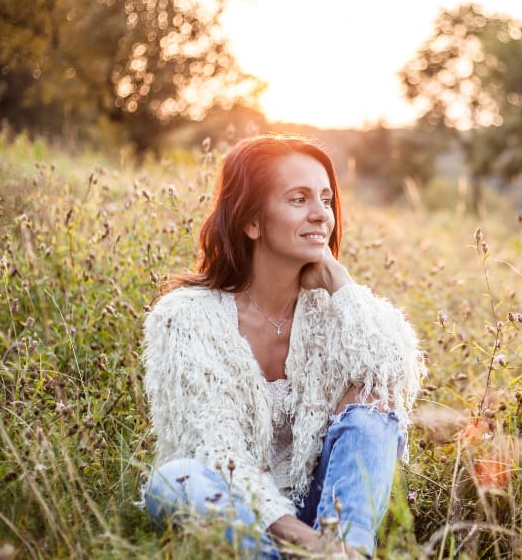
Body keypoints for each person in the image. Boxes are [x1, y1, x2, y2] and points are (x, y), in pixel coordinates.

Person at [141, 134, 425, 558]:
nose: (320, 215)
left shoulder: (334, 311)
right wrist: (305, 540)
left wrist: (339, 282)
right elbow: (218, 451)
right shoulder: (184, 317)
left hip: (327, 513)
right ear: (251, 221)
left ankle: (350, 550)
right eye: (299, 199)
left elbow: (397, 377)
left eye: (326, 200)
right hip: (238, 510)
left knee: (374, 398)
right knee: (174, 480)